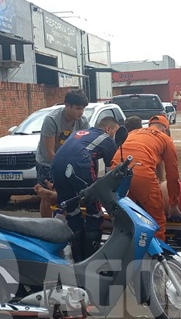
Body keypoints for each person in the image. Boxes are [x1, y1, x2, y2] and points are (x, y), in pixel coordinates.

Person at [50, 116, 121, 262]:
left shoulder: (81, 133)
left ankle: (77, 258)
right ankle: (90, 258)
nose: (114, 136)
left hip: (56, 165)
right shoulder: (105, 138)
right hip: (79, 164)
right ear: (108, 129)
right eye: (115, 131)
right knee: (94, 211)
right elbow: (112, 171)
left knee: (72, 211)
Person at [112, 114, 181, 238]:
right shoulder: (165, 139)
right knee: (157, 218)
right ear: (165, 129)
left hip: (116, 169)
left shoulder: (133, 133)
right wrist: (174, 203)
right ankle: (157, 254)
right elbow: (172, 174)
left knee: (127, 215)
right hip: (140, 172)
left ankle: (126, 249)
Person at [35, 89, 89, 217]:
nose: (80, 112)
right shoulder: (51, 120)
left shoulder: (83, 122)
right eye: (77, 108)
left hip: (68, 162)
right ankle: (46, 225)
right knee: (47, 196)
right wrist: (60, 174)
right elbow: (50, 152)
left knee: (67, 195)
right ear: (67, 105)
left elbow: (83, 149)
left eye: (82, 109)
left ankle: (64, 224)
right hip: (47, 162)